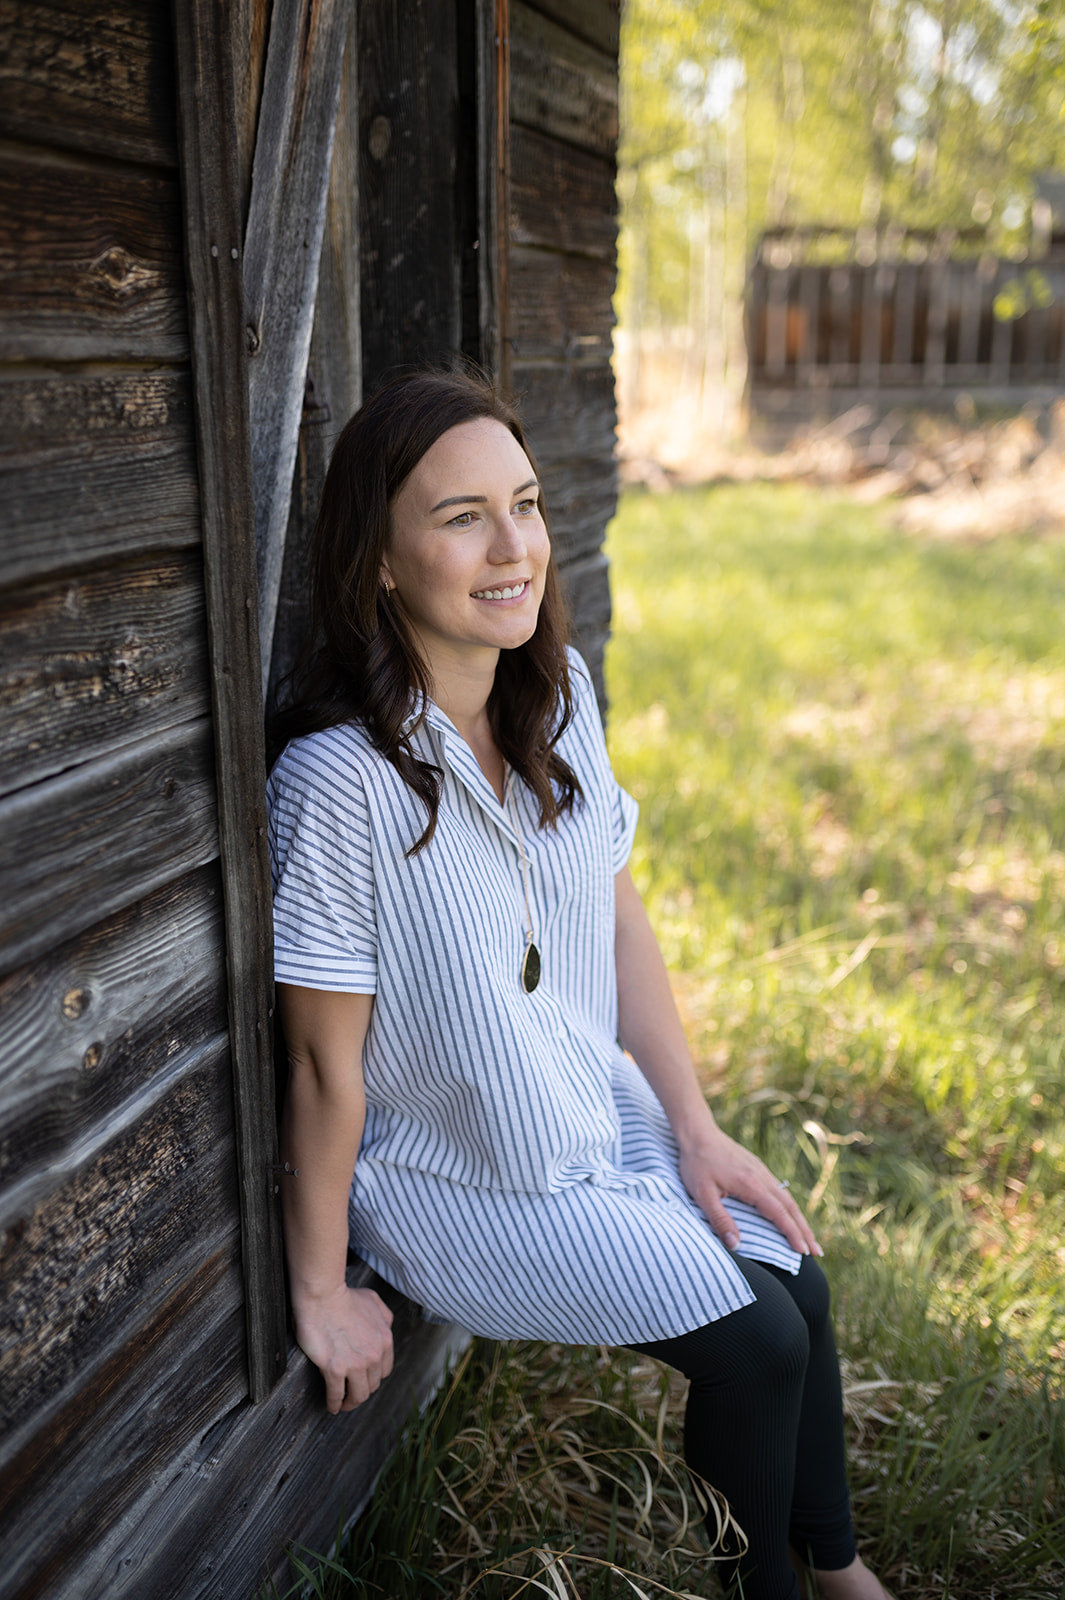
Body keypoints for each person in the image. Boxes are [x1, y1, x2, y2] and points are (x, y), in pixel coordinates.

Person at [266, 369, 892, 1600]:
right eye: (461, 518)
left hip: (583, 1103)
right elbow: (322, 1063)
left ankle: (842, 1571)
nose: (514, 549)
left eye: (529, 503)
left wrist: (696, 1130)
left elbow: (618, 917)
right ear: (381, 561)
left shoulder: (558, 702)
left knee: (797, 1274)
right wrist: (322, 1283)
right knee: (760, 1340)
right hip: (461, 1174)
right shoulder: (342, 784)